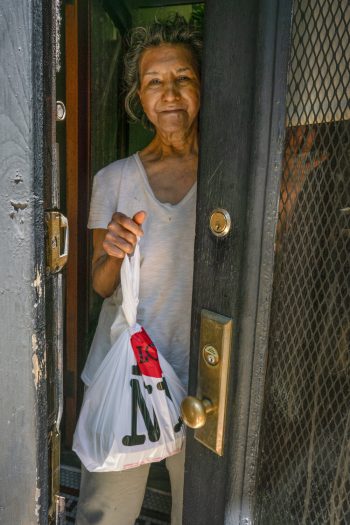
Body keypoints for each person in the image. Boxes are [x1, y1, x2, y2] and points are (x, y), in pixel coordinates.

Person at [75, 14, 202, 525]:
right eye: (154, 81)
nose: (169, 93)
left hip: (202, 386)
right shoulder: (114, 180)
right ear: (139, 97)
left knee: (200, 510)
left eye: (183, 77)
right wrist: (115, 250)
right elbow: (99, 284)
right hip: (124, 374)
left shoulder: (229, 170)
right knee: (105, 513)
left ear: (202, 85)